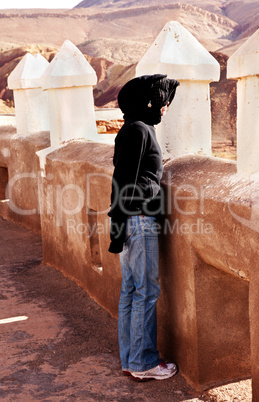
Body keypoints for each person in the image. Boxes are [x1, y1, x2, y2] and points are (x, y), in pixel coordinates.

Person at [108, 74, 179, 381]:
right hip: (138, 220)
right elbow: (127, 180)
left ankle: (130, 359)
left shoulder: (130, 128)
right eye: (162, 103)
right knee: (146, 293)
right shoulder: (140, 131)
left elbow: (121, 180)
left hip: (126, 220)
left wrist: (118, 223)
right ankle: (143, 362)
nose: (164, 109)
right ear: (149, 102)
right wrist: (148, 197)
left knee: (131, 291)